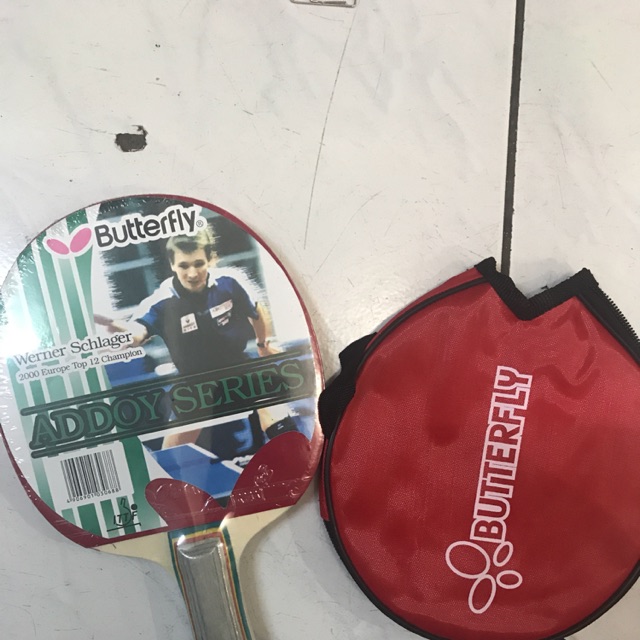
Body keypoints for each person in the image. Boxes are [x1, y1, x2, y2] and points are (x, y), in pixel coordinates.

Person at [107, 227, 296, 451]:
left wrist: (263, 344)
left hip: (237, 366)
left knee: (275, 411)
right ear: (172, 265)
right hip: (194, 382)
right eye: (183, 266)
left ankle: (293, 454)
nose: (192, 274)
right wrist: (125, 333)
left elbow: (256, 310)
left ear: (210, 260)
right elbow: (138, 331)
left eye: (198, 264)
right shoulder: (161, 300)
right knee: (173, 451)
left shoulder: (230, 281)